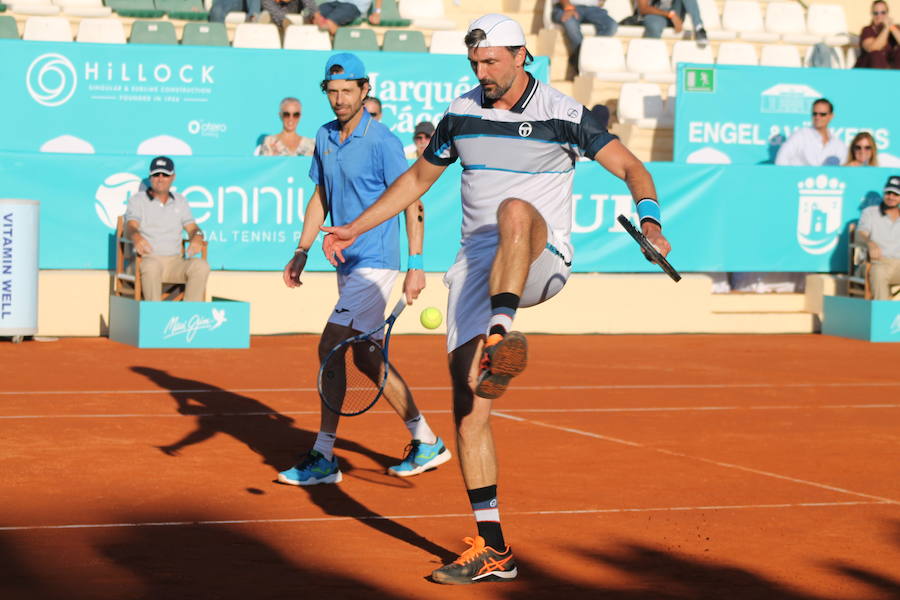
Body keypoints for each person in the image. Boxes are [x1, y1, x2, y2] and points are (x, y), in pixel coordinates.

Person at [320, 14, 671, 584]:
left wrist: (651, 223)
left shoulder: (562, 113)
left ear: (521, 56)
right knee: (468, 412)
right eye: (474, 64)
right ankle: (495, 549)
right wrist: (353, 228)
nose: (482, 72)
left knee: (513, 210)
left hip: (538, 257)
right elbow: (416, 181)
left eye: (491, 62)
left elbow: (631, 167)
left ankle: (502, 334)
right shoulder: (461, 112)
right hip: (473, 270)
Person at [278, 53, 451, 486]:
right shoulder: (323, 135)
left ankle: (323, 455)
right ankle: (426, 440)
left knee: (331, 345)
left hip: (376, 262)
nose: (339, 100)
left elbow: (414, 198)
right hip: (346, 263)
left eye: (347, 91)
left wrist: (416, 265)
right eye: (332, 92)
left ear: (364, 90)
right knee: (367, 358)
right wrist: (302, 248)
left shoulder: (383, 142)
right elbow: (321, 197)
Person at [124, 156, 210, 302]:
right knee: (151, 267)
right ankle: (154, 317)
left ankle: (189, 318)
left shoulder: (180, 201)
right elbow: (130, 226)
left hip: (174, 262)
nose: (160, 178)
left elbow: (193, 228)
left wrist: (197, 237)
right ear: (150, 177)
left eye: (165, 174)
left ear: (173, 177)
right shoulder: (138, 200)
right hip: (145, 260)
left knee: (201, 266)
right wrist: (136, 237)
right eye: (156, 174)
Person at [857, 175, 900, 299]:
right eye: (888, 193)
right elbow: (860, 233)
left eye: (896, 194)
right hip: (878, 263)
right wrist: (870, 243)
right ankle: (883, 314)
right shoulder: (870, 212)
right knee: (878, 273)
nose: (891, 197)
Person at [774, 98, 847, 166]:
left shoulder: (838, 144)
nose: (817, 117)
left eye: (822, 114)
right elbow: (781, 160)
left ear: (831, 116)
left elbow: (843, 172)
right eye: (814, 114)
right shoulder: (800, 136)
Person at [551, 1, 617, 69]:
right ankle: (580, 60)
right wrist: (568, 7)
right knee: (570, 23)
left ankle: (584, 57)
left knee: (611, 26)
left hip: (593, 9)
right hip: (565, 7)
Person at [636, 0, 707, 45]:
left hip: (675, 14)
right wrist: (670, 14)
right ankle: (651, 54)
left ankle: (699, 28)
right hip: (656, 15)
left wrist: (673, 15)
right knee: (654, 25)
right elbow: (643, 8)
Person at [855, 0, 900, 69]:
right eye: (876, 13)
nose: (879, 16)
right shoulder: (867, 30)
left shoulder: (894, 29)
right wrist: (886, 28)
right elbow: (873, 48)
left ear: (887, 14)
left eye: (883, 12)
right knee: (876, 54)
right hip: (869, 69)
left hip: (890, 71)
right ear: (872, 14)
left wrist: (892, 27)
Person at [313, 0, 383, 35]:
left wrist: (376, 13)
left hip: (354, 5)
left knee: (329, 22)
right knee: (311, 18)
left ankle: (342, 43)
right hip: (334, 2)